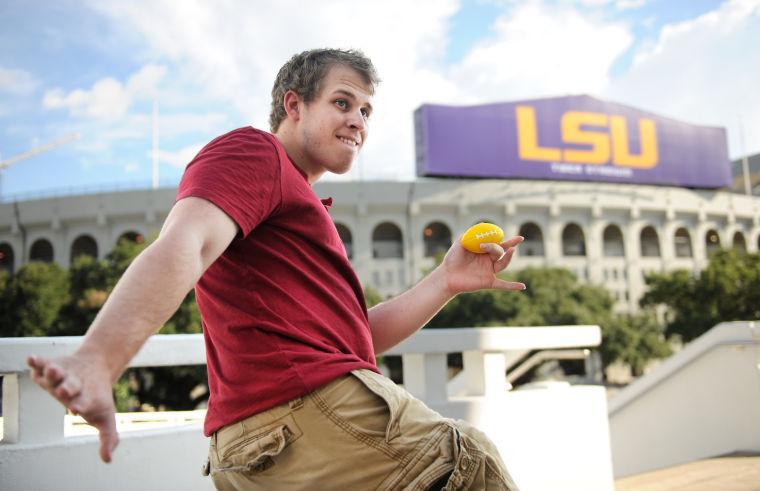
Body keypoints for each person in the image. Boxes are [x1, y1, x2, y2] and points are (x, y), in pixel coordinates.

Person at [27, 48, 524, 490]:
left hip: (265, 448)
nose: (358, 121)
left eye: (367, 111)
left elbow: (352, 343)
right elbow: (186, 243)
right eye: (343, 102)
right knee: (468, 465)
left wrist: (445, 281)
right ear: (293, 105)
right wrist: (97, 361)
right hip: (304, 417)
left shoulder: (296, 202)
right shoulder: (255, 153)